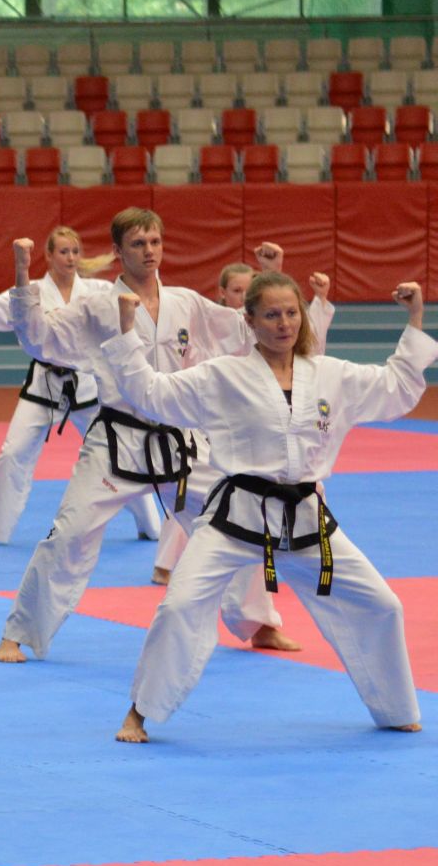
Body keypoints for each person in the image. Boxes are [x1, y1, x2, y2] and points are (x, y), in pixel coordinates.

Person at [103, 274, 430, 742]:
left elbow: (396, 388)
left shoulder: (330, 374)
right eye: (272, 315)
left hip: (304, 519)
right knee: (179, 605)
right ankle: (141, 710)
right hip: (237, 517)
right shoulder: (223, 375)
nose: (284, 324)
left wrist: (415, 318)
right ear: (249, 320)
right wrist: (126, 330)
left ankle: (394, 707)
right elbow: (151, 394)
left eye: (292, 313)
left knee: (382, 604)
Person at [0, 211, 303, 663]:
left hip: (181, 441)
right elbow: (39, 338)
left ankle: (259, 624)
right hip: (117, 441)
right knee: (69, 535)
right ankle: (19, 633)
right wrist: (22, 273)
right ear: (118, 251)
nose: (149, 251)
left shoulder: (186, 303)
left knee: (237, 521)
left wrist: (270, 274)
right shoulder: (97, 306)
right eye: (138, 244)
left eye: (155, 242)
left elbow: (243, 329)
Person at [0, 230, 166, 547]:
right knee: (13, 452)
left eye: (75, 252)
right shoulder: (32, 292)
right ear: (49, 256)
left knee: (121, 450)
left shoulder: (96, 291)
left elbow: (134, 298)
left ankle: (150, 525)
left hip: (88, 385)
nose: (71, 258)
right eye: (64, 252)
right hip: (44, 385)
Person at [149, 264, 336, 586]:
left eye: (248, 290)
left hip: (265, 428)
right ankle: (166, 564)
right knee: (193, 496)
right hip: (215, 426)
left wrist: (282, 276)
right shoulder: (211, 327)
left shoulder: (269, 331)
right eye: (237, 291)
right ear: (222, 293)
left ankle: (297, 560)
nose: (242, 295)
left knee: (305, 488)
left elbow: (307, 350)